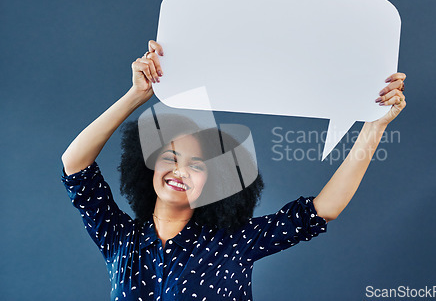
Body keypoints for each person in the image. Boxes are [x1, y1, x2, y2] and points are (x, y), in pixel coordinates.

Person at [61, 40, 407, 301]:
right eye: (171, 157)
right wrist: (137, 95)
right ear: (148, 165)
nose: (180, 170)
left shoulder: (232, 242)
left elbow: (323, 210)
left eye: (197, 166)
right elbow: (75, 164)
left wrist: (374, 126)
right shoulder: (121, 238)